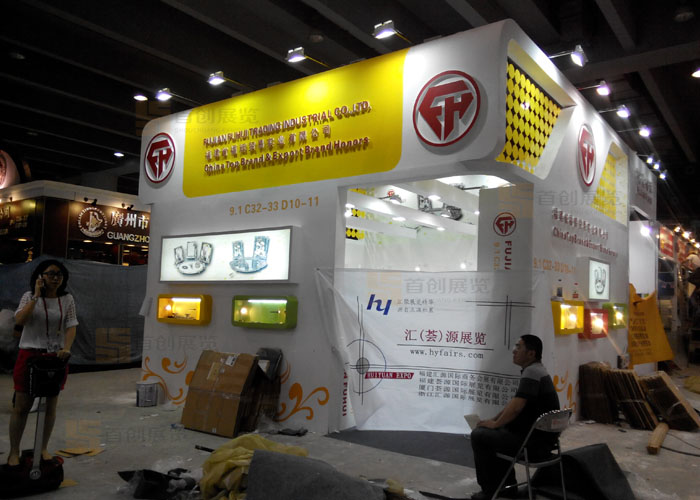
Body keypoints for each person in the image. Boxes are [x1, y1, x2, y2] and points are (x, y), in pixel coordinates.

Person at [469, 335, 560, 500]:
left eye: (519, 347)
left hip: (533, 445)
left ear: (531, 353)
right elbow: (514, 403)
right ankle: (506, 489)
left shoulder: (532, 372)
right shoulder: (537, 370)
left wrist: (495, 424)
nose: (514, 351)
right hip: (543, 441)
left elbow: (517, 407)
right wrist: (494, 420)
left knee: (479, 436)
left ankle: (490, 491)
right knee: (495, 433)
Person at [7, 259, 78, 466]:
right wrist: (36, 297)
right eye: (51, 274)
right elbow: (20, 321)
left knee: (50, 406)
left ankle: (43, 448)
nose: (55, 278)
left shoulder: (67, 299)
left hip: (55, 357)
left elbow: (71, 325)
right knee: (22, 406)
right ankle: (14, 451)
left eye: (59, 274)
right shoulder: (28, 296)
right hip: (30, 355)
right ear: (40, 276)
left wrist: (67, 348)